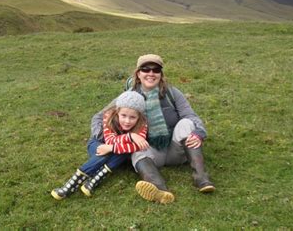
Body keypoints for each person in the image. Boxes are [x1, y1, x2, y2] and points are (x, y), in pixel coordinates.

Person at [91, 54, 215, 204]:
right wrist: (104, 141)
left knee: (187, 123)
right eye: (145, 69)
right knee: (137, 148)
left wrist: (198, 133)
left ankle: (201, 179)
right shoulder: (130, 97)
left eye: (156, 70)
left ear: (161, 74)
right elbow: (99, 117)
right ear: (138, 73)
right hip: (150, 152)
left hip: (176, 150)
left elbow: (191, 115)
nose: (151, 73)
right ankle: (159, 189)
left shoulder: (172, 93)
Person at [51, 91, 149, 200]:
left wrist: (112, 148)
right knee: (105, 154)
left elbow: (139, 146)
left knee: (124, 152)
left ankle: (93, 181)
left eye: (132, 117)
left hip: (114, 150)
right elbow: (110, 140)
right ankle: (70, 186)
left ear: (139, 117)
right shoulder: (109, 116)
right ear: (117, 112)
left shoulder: (142, 124)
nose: (127, 121)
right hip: (98, 143)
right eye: (123, 115)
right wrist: (130, 137)